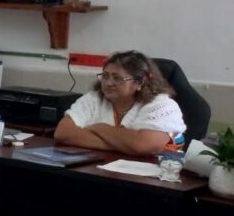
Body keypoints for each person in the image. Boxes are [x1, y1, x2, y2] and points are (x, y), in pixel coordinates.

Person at [54, 50, 186, 155]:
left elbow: (142, 145)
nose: (108, 83)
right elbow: (63, 133)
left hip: (160, 176)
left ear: (140, 83)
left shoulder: (162, 105)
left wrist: (99, 127)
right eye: (105, 76)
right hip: (108, 168)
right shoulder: (94, 98)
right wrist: (123, 146)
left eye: (117, 78)